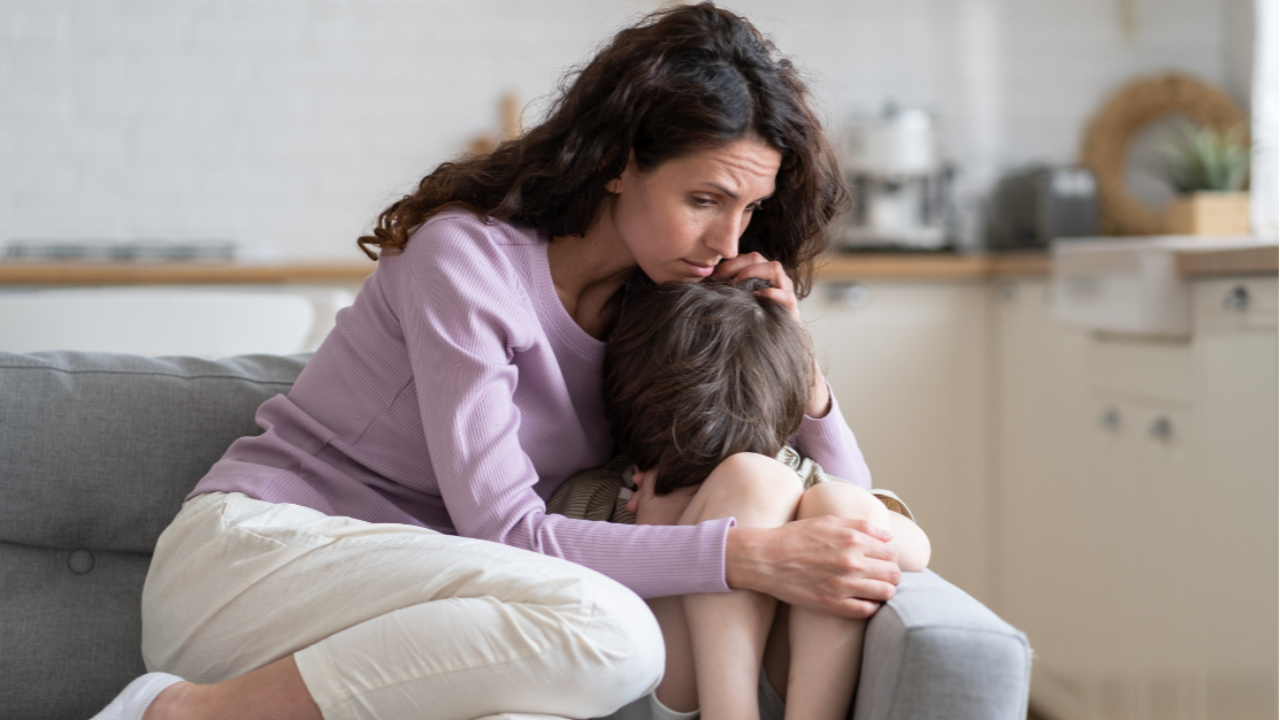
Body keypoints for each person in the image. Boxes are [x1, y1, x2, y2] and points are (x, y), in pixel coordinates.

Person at [91, 4, 902, 720]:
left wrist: (799, 368)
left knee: (551, 701)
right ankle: (175, 713)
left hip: (449, 602)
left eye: (749, 208)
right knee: (609, 633)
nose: (730, 241)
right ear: (620, 163)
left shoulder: (661, 306)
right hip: (263, 562)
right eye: (704, 199)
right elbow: (509, 531)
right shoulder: (466, 263)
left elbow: (846, 504)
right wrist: (742, 557)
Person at [547, 278, 930, 720]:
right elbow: (543, 578)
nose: (709, 485)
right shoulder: (607, 491)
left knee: (838, 503)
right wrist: (657, 534)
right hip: (670, 690)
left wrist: (847, 516)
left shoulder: (792, 473)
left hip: (782, 688)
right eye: (690, 480)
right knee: (757, 481)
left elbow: (916, 550)